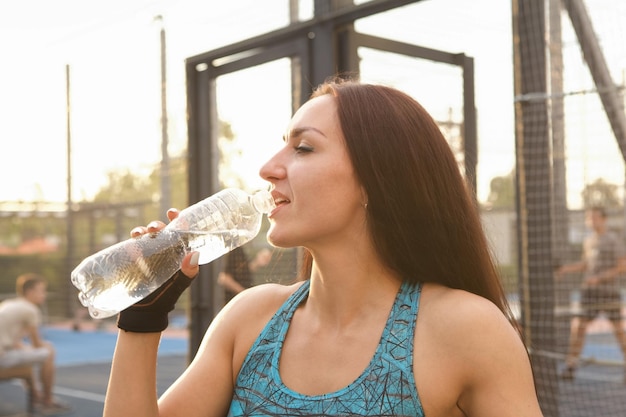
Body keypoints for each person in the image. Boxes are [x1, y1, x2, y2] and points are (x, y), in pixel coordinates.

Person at [103, 79, 543, 417]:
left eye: (304, 147)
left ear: (377, 180)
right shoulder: (249, 319)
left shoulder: (465, 329)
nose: (269, 168)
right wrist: (142, 320)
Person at [556, 206, 626, 380]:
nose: (591, 221)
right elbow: (586, 265)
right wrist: (566, 269)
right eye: (589, 218)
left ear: (604, 219)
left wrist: (600, 278)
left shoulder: (613, 239)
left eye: (595, 217)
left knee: (618, 330)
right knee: (579, 326)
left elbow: (622, 266)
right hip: (590, 293)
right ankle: (571, 367)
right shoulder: (589, 241)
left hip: (609, 293)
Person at [0, 273, 72, 415]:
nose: (44, 295)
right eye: (41, 290)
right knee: (49, 350)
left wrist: (26, 348)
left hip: (4, 352)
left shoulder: (8, 304)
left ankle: (36, 397)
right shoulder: (30, 309)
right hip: (2, 358)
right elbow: (37, 344)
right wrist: (37, 346)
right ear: (30, 292)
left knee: (29, 354)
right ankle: (47, 400)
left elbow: (15, 342)